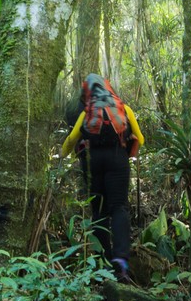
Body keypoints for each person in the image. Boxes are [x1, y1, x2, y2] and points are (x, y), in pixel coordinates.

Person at [61, 74, 144, 283]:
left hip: (94, 162)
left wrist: (63, 156)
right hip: (119, 159)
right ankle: (121, 264)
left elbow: (71, 139)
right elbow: (141, 138)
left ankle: (102, 261)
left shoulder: (88, 112)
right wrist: (129, 153)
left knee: (98, 211)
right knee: (118, 208)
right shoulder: (123, 108)